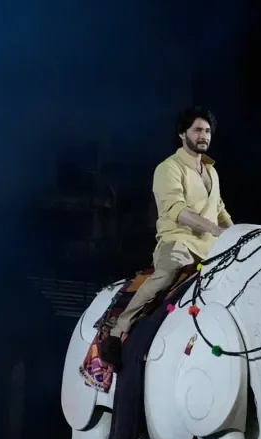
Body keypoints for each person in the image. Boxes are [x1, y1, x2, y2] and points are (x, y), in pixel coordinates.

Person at [100, 106, 234, 368]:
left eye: (207, 131)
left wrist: (238, 233)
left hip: (210, 248)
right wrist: (215, 230)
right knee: (166, 275)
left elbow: (220, 211)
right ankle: (118, 330)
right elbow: (177, 211)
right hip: (178, 242)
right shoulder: (168, 168)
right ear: (182, 134)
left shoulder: (212, 172)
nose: (203, 136)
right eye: (197, 130)